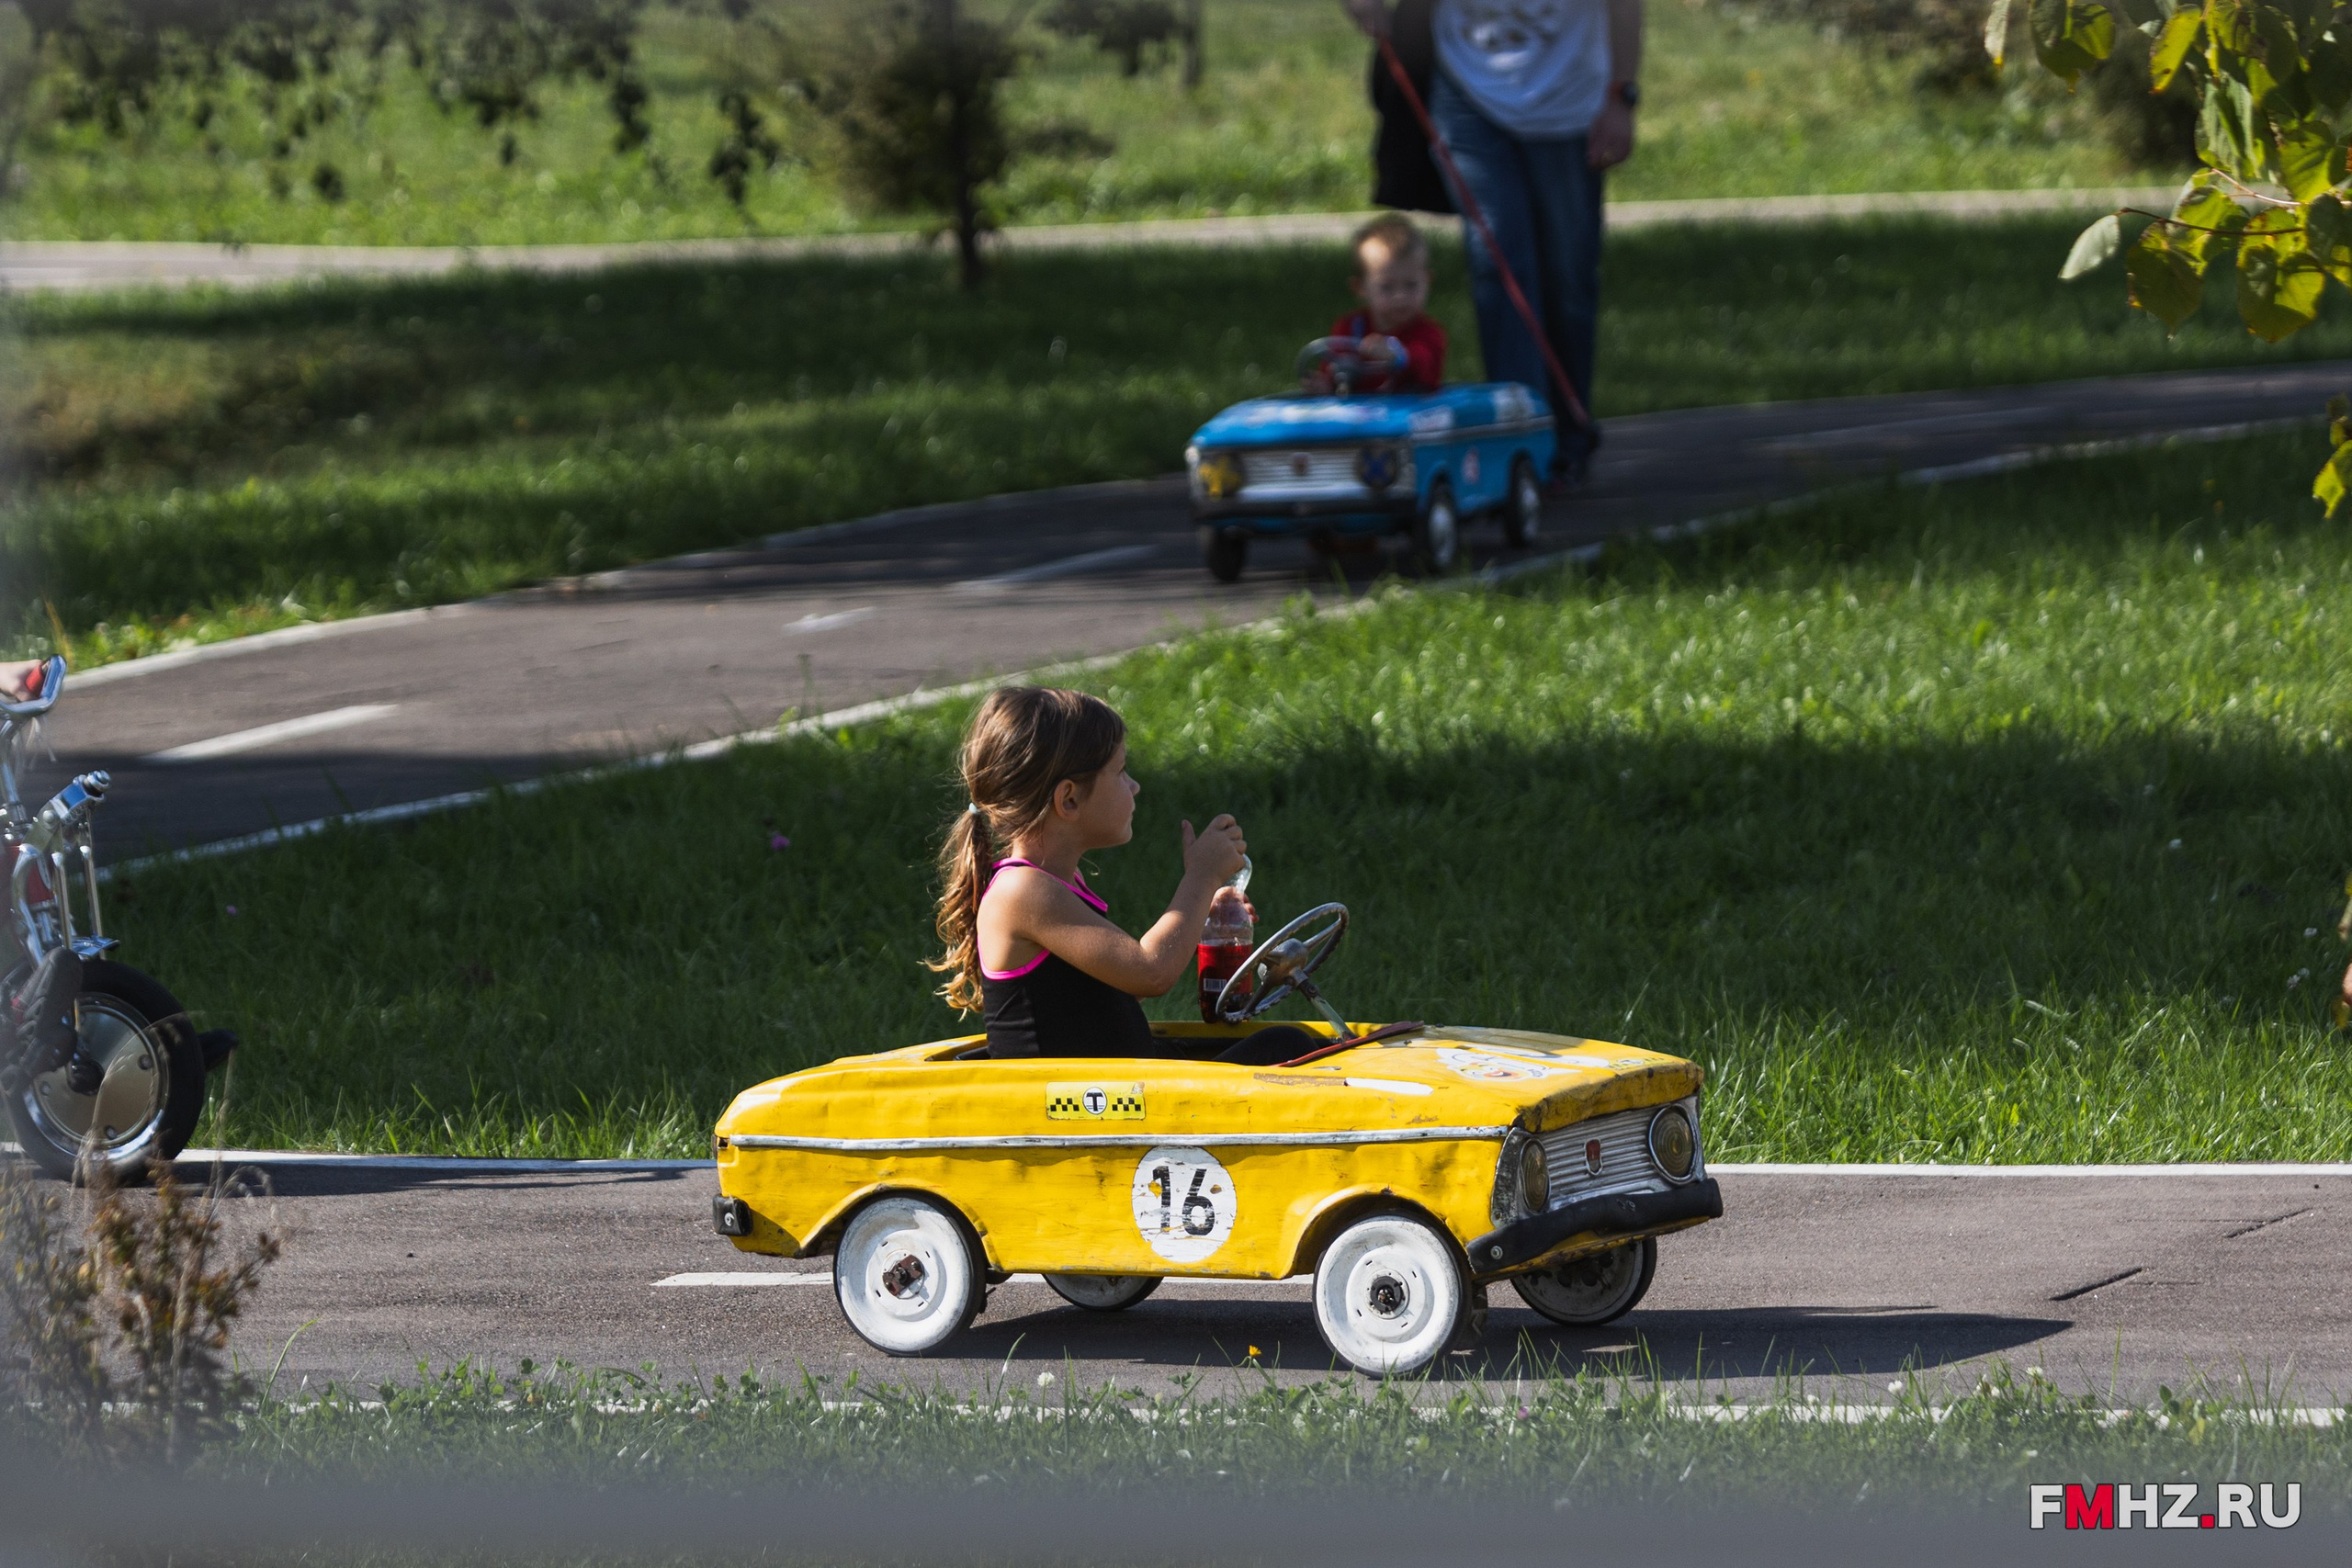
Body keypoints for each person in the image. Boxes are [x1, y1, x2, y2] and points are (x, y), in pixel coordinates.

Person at [932, 686, 1313, 1066]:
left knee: (1284, 1044)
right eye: (1120, 771)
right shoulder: (1021, 891)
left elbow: (1113, 991)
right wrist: (1201, 878)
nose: (1134, 785)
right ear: (1069, 799)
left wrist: (1200, 912)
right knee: (1285, 1046)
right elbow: (1151, 973)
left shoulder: (1054, 883)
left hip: (1107, 1090)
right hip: (1059, 1099)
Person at [1346, 0, 1642, 484]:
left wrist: (1621, 96)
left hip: (1570, 103)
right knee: (1500, 262)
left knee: (1567, 274)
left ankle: (1569, 432)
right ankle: (1523, 441)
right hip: (1467, 91)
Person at [1317, 213, 1448, 394]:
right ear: (1360, 288)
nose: (1400, 296)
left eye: (1411, 285)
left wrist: (1399, 357)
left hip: (1409, 411)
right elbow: (1333, 374)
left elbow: (1427, 369)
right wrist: (1324, 387)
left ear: (1427, 281)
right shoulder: (1349, 329)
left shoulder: (1429, 333)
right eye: (1386, 287)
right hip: (1358, 412)